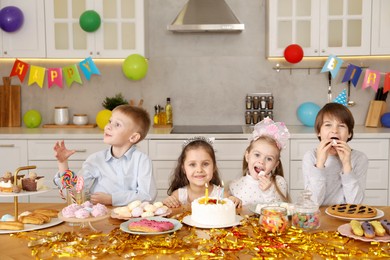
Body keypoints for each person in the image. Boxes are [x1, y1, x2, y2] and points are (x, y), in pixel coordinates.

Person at [53, 105, 157, 206]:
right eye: (110, 121)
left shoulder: (142, 160)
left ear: (133, 137)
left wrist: (112, 199)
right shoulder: (95, 159)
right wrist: (63, 164)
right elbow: (76, 192)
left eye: (117, 124)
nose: (108, 126)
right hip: (100, 217)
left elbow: (147, 196)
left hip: (130, 219)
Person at [302, 102, 368, 206]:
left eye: (341, 125)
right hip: (318, 217)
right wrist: (319, 164)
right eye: (328, 125)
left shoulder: (359, 158)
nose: (335, 131)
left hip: (346, 217)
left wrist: (347, 165)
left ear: (349, 133)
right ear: (318, 132)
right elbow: (312, 203)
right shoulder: (311, 156)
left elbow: (355, 204)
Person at [163, 136, 242, 208]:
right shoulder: (178, 196)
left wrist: (234, 202)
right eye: (192, 164)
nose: (199, 170)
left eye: (205, 164)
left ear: (214, 166)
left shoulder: (222, 195)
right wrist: (168, 202)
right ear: (183, 168)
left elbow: (232, 209)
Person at [229, 117, 290, 206]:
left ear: (275, 165)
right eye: (257, 155)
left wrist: (268, 192)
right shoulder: (235, 185)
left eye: (269, 159)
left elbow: (280, 212)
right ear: (247, 156)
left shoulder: (279, 183)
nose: (261, 161)